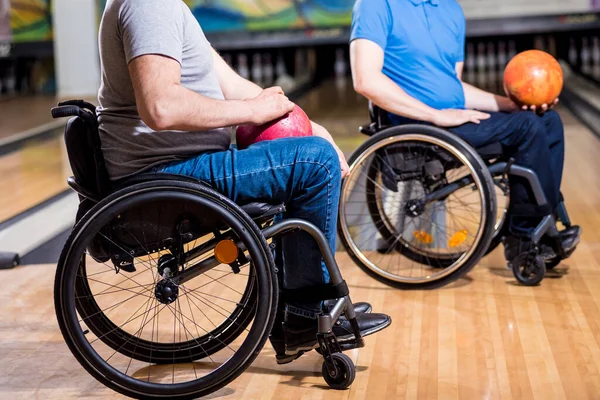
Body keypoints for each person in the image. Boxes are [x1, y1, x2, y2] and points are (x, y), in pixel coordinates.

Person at [96, 0, 391, 365]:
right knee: (314, 162)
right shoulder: (151, 4)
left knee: (311, 150)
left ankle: (301, 310)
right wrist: (258, 115)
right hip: (165, 178)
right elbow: (161, 107)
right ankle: (308, 314)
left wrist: (310, 126)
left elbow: (236, 87)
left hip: (176, 170)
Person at [349, 0, 580, 264]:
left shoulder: (450, 9)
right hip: (416, 126)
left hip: (452, 122)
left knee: (546, 119)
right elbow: (366, 80)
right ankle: (525, 238)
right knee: (528, 126)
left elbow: (453, 88)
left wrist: (513, 106)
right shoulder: (376, 4)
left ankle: (541, 226)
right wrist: (436, 115)